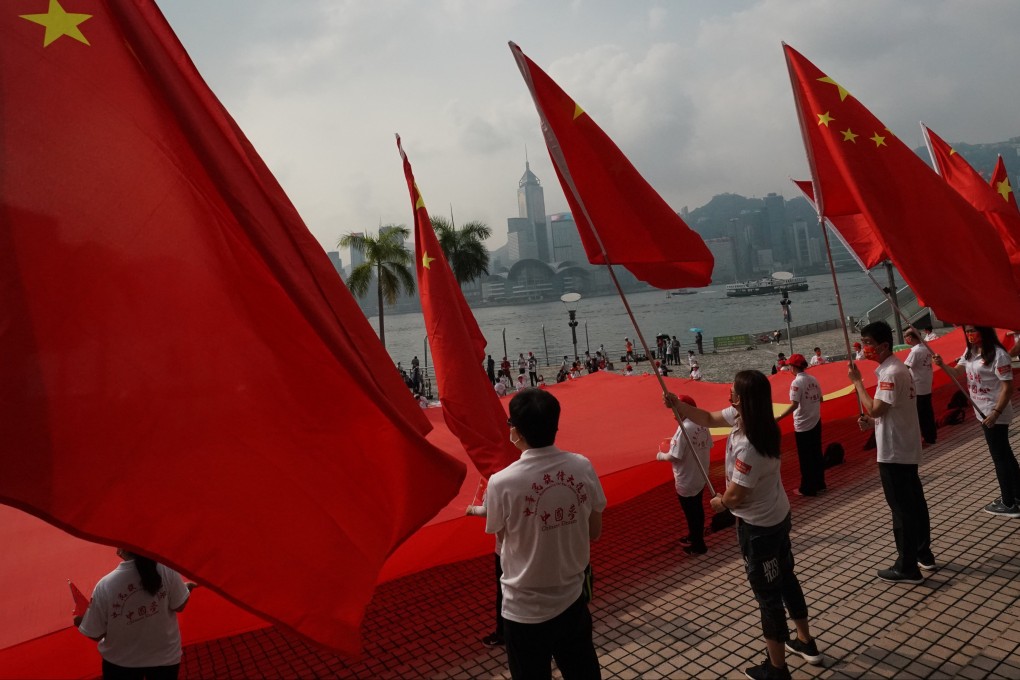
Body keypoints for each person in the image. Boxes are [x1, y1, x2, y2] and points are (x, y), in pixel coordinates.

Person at [667, 372, 822, 679]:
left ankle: (777, 668)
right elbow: (709, 418)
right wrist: (678, 406)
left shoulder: (750, 444)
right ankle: (805, 642)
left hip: (759, 528)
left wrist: (720, 503)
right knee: (787, 577)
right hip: (777, 516)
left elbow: (738, 495)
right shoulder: (753, 418)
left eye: (732, 391)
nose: (728, 394)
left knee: (768, 596)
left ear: (740, 399)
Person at [484, 389, 606, 679]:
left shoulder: (501, 483)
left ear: (516, 431)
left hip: (523, 612)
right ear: (556, 425)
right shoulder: (582, 466)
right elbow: (595, 531)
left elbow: (500, 542)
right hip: (572, 602)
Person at [848, 321, 934, 583]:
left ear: (884, 345)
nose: (865, 349)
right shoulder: (896, 369)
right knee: (914, 503)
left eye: (869, 343)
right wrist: (873, 422)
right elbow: (886, 412)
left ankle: (907, 565)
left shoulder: (890, 373)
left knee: (901, 508)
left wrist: (857, 384)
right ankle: (922, 553)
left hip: (895, 450)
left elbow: (875, 409)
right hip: (903, 444)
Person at [933, 325, 1020, 517]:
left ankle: (1008, 503)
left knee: (1000, 457)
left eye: (973, 331)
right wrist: (941, 365)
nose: (969, 335)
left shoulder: (999, 355)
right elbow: (956, 373)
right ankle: (1017, 494)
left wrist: (996, 413)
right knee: (1005, 453)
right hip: (981, 411)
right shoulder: (970, 352)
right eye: (967, 331)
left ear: (984, 331)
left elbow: (1008, 388)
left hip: (993, 412)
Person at [77, 549, 192, 680]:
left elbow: (96, 633)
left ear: (120, 550)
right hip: (165, 659)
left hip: (120, 664)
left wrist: (81, 622)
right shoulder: (166, 569)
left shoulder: (105, 586)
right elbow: (179, 605)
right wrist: (186, 589)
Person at [655, 395, 712, 554]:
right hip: (700, 476)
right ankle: (694, 536)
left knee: (691, 512)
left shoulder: (684, 428)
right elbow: (708, 445)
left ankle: (698, 544)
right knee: (697, 509)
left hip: (686, 479)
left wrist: (660, 456)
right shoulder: (702, 423)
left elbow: (674, 455)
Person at [776, 354, 825, 497]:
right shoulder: (813, 379)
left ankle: (808, 488)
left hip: (803, 425)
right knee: (816, 453)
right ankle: (820, 483)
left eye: (789, 366)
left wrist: (779, 417)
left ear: (793, 367)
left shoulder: (796, 383)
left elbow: (794, 405)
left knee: (805, 458)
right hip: (816, 421)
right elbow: (820, 399)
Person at [903, 328, 936, 445]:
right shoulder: (926, 348)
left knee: (921, 414)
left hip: (918, 385)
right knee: (927, 412)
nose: (905, 339)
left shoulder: (915, 352)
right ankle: (931, 436)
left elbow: (905, 367)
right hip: (926, 383)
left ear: (910, 338)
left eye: (905, 337)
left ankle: (926, 437)